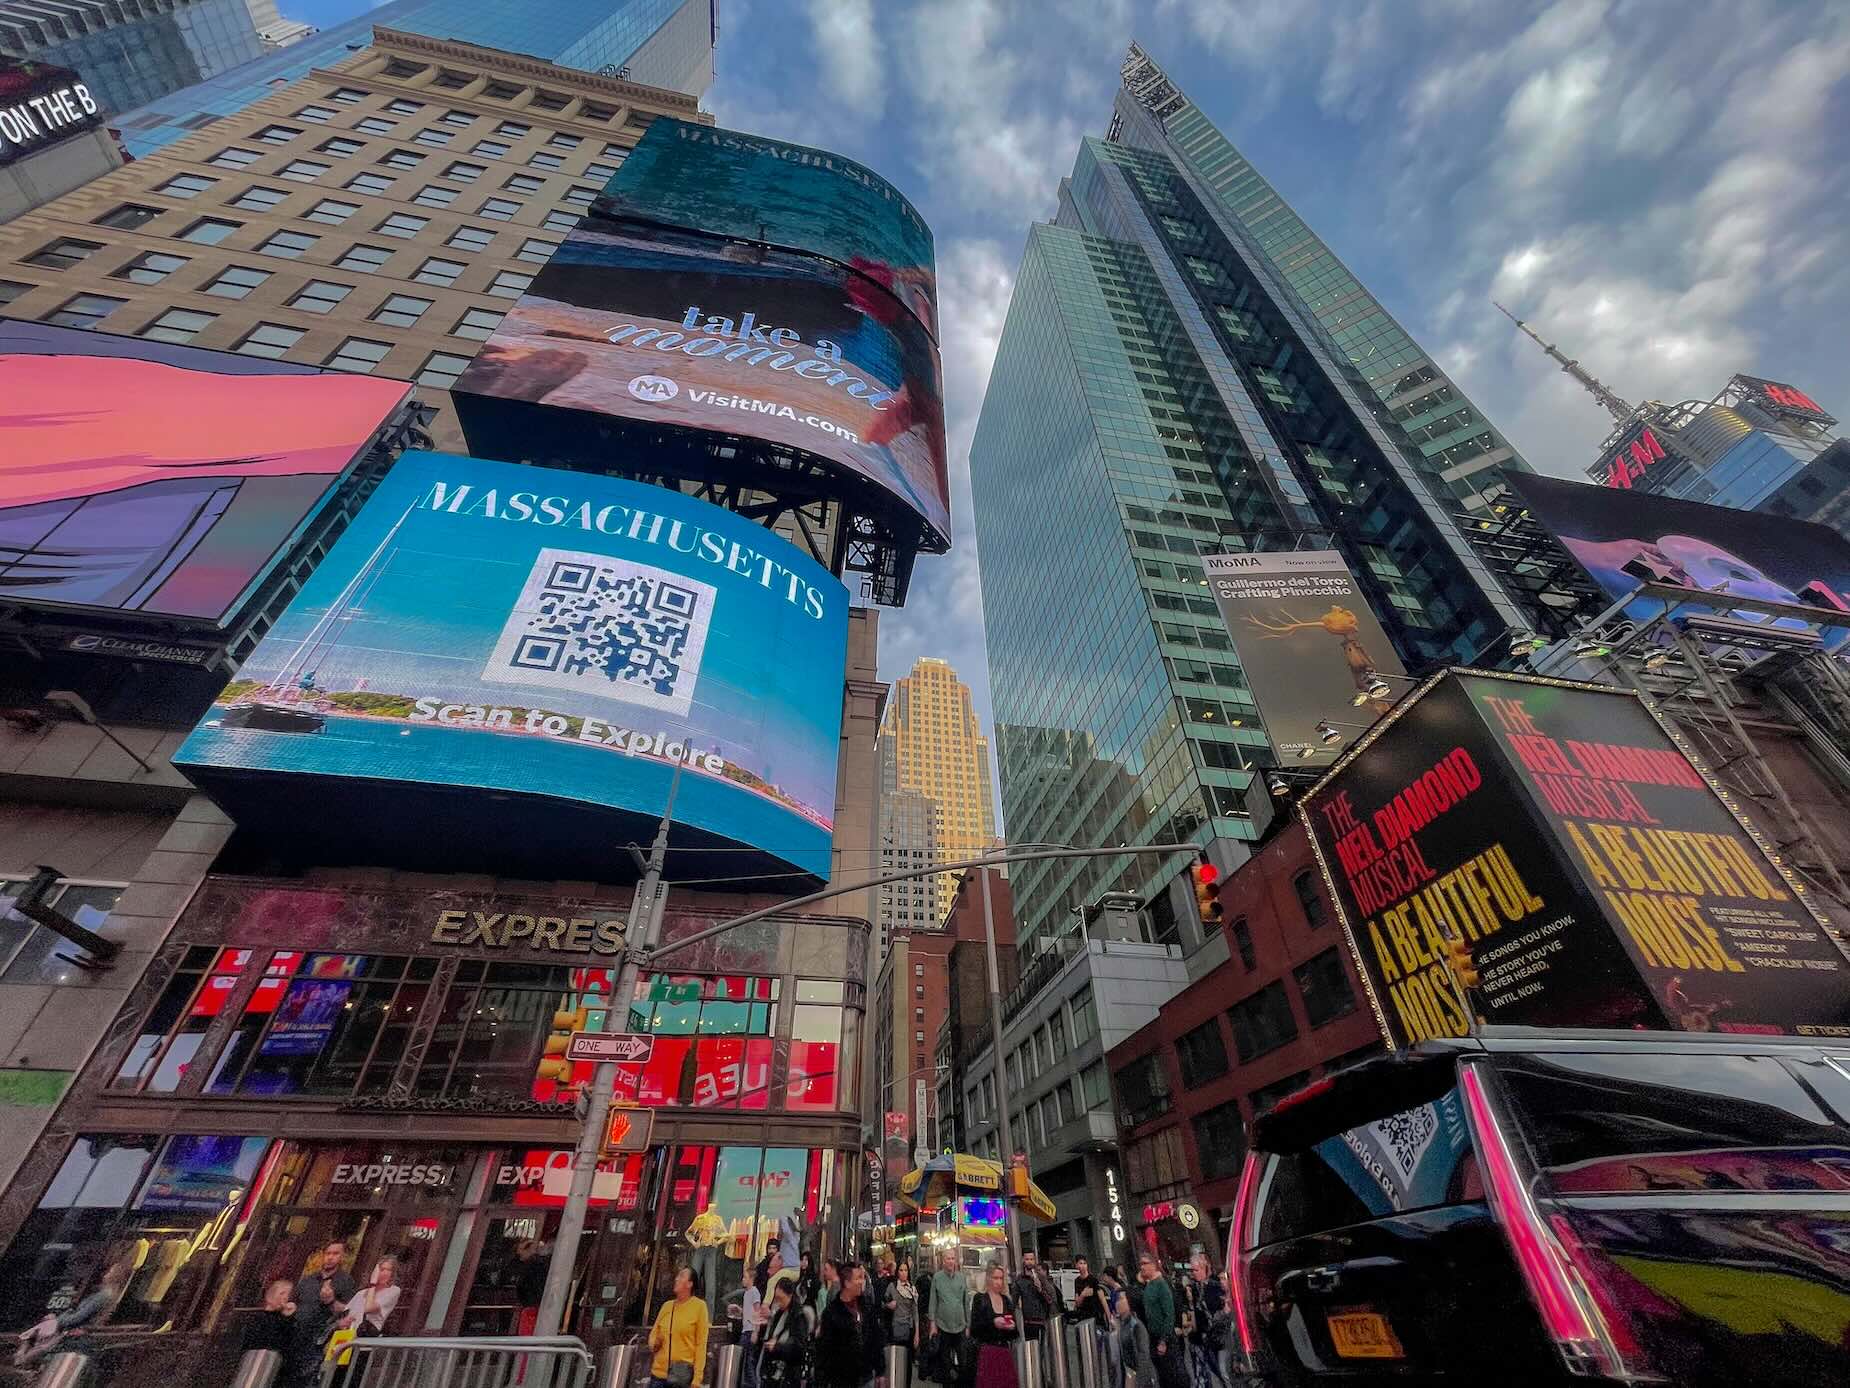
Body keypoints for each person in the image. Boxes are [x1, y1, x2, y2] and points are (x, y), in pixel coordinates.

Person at [11, 1253, 134, 1369]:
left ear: (116, 1277)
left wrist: (57, 1320)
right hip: (73, 1331)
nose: (105, 1274)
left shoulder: (104, 1296)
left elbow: (78, 1317)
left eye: (110, 1272)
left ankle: (22, 1358)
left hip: (75, 1334)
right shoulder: (107, 1294)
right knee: (40, 1331)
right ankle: (22, 1356)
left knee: (43, 1334)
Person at [292, 1241, 357, 1388]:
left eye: (335, 1254)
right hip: (298, 1334)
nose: (330, 1257)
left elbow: (348, 1310)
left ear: (342, 1257)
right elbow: (296, 1301)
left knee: (310, 1379)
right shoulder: (308, 1280)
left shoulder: (345, 1281)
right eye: (328, 1253)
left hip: (321, 1339)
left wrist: (331, 1300)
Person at [815, 1262, 885, 1388]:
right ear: (847, 1283)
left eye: (862, 1278)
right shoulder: (832, 1313)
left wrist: (880, 1370)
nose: (862, 1282)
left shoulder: (867, 1307)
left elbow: (876, 1338)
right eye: (858, 1278)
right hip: (842, 1379)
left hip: (867, 1377)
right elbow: (824, 1350)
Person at [650, 1267, 713, 1388]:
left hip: (681, 1377)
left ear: (690, 1284)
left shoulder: (699, 1307)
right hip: (658, 1375)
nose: (676, 1279)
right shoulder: (667, 1306)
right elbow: (654, 1333)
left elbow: (701, 1345)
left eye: (681, 1276)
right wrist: (654, 1343)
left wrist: (697, 1378)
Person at [1134, 1254, 1185, 1388]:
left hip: (1165, 1340)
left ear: (1153, 1265)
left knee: (1172, 1377)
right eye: (1141, 1264)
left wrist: (1164, 1340)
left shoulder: (1161, 1285)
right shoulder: (1149, 1285)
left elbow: (1169, 1314)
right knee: (1162, 1377)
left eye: (1145, 1263)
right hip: (1153, 1338)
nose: (1142, 1267)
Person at [968, 1263, 1020, 1388]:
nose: (998, 1282)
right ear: (988, 1279)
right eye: (995, 1278)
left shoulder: (1006, 1300)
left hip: (1004, 1351)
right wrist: (993, 1323)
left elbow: (1015, 1334)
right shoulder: (980, 1299)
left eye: (1001, 1278)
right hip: (987, 1351)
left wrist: (1011, 1327)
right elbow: (975, 1329)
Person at [1181, 1255, 1228, 1388]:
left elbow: (1220, 1309)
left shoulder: (1215, 1286)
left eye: (1195, 1270)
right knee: (1209, 1372)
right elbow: (1191, 1312)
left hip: (1217, 1335)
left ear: (1203, 1268)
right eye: (1192, 1270)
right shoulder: (1193, 1289)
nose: (1193, 1273)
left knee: (1222, 1371)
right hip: (1202, 1338)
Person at [924, 1250, 968, 1387]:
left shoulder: (962, 1277)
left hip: (960, 1325)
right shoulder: (937, 1278)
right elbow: (933, 1302)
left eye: (953, 1258)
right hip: (943, 1325)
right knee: (945, 1364)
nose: (951, 1261)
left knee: (963, 1362)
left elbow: (966, 1302)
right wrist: (932, 1324)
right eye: (948, 1258)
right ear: (943, 1261)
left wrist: (968, 1325)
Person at [758, 1275, 811, 1388]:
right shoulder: (778, 1313)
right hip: (773, 1372)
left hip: (787, 1374)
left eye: (781, 1298)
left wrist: (777, 1347)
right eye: (776, 1298)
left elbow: (799, 1346)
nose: (778, 1302)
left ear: (790, 1295)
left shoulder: (798, 1316)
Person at [1012, 1251, 1062, 1343]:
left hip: (1043, 1321)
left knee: (1043, 1348)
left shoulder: (1041, 1277)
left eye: (1031, 1259)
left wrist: (1040, 1289)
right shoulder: (1020, 1279)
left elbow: (1051, 1300)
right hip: (1028, 1321)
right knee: (1031, 1347)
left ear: (1035, 1260)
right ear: (1023, 1260)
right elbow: (1013, 1301)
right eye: (1027, 1259)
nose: (1029, 1262)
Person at [243, 1278, 298, 1357]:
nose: (285, 1297)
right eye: (282, 1293)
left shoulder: (286, 1321)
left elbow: (285, 1345)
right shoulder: (256, 1317)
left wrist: (287, 1318)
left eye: (288, 1295)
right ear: (270, 1295)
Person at [1115, 1291, 1155, 1388]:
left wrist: (1135, 1380)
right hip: (1130, 1373)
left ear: (1130, 1302)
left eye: (1121, 1299)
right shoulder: (1124, 1324)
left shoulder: (1135, 1325)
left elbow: (1143, 1355)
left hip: (1138, 1376)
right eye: (1117, 1299)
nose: (1117, 1303)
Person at [511, 1239, 550, 1336]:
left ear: (528, 1249)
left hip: (531, 1306)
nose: (519, 1254)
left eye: (521, 1250)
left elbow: (523, 1285)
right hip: (536, 1305)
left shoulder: (531, 1266)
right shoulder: (540, 1264)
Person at [886, 1259, 919, 1358]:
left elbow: (915, 1312)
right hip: (896, 1327)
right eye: (901, 1270)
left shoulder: (912, 1289)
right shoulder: (892, 1286)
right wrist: (888, 1305)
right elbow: (882, 1303)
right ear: (897, 1272)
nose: (904, 1273)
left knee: (908, 1358)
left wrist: (917, 1334)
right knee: (897, 1358)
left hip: (909, 1328)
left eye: (905, 1270)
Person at [739, 1266, 764, 1388]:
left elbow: (757, 1311)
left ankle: (752, 1384)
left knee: (748, 1360)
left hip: (750, 1330)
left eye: (745, 1277)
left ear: (751, 1279)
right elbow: (748, 1311)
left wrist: (756, 1331)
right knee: (745, 1359)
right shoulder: (746, 1293)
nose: (743, 1280)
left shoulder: (754, 1292)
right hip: (745, 1330)